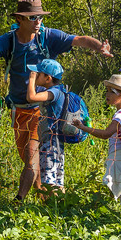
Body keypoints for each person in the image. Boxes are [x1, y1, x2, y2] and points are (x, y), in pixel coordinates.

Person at [0, 0, 113, 206]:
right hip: (19, 110)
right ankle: (50, 204)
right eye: (33, 17)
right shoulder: (9, 40)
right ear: (20, 19)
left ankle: (21, 200)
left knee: (33, 157)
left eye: (40, 16)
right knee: (30, 159)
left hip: (42, 110)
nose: (38, 21)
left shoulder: (48, 37)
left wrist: (99, 47)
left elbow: (79, 39)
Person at [83, 73, 121, 216]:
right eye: (108, 90)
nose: (108, 94)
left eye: (113, 92)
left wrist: (83, 127)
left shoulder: (120, 116)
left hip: (120, 157)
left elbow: (105, 134)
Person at [24, 57, 74, 196]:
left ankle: (52, 209)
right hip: (53, 141)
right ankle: (61, 208)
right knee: (57, 179)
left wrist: (31, 79)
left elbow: (31, 97)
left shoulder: (54, 92)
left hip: (51, 142)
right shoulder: (58, 91)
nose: (35, 75)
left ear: (48, 78)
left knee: (49, 180)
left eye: (38, 74)